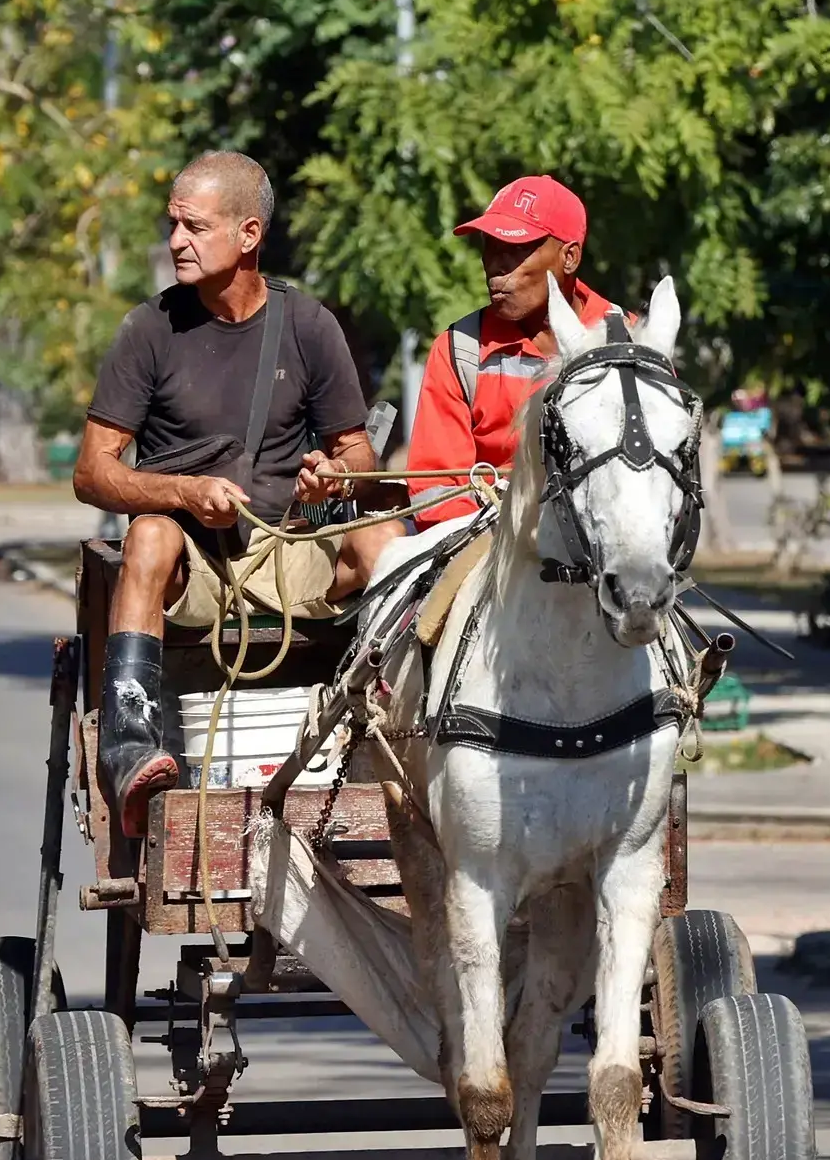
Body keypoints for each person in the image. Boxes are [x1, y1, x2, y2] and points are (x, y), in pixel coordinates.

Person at [74, 150, 403, 836]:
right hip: (192, 565)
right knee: (149, 533)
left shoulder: (308, 326)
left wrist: (337, 477)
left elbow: (356, 455)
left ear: (248, 235)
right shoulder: (149, 330)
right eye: (174, 226)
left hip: (290, 551)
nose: (175, 243)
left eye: (194, 227)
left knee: (385, 538)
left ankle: (397, 731)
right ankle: (132, 746)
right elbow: (92, 473)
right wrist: (184, 494)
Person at [404, 175, 626, 526]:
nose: (496, 265)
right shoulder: (459, 350)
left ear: (569, 257)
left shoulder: (626, 345)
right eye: (489, 246)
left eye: (516, 249)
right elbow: (437, 490)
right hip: (487, 557)